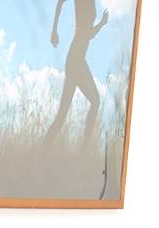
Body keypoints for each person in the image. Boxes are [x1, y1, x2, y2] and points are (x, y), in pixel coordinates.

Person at [46, 0, 110, 147]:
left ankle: (44, 148)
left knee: (63, 113)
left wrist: (101, 24)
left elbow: (88, 34)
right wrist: (54, 30)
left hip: (77, 59)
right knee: (95, 101)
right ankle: (85, 149)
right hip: (76, 59)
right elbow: (60, 2)